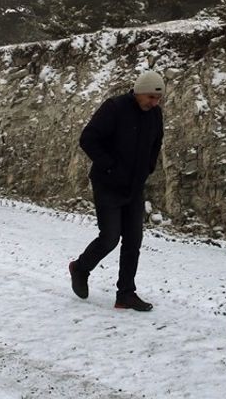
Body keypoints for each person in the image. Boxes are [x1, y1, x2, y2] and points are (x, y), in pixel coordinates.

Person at [68, 69, 165, 311]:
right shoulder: (114, 108)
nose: (154, 103)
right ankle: (80, 268)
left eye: (158, 98)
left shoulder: (155, 114)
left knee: (134, 240)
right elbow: (88, 138)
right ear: (139, 92)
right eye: (151, 97)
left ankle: (125, 294)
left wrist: (148, 167)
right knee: (110, 237)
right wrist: (110, 166)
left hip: (134, 185)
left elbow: (156, 142)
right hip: (108, 184)